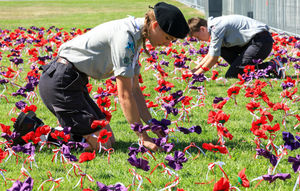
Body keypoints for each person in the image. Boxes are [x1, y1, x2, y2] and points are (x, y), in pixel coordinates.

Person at [38, 2, 189, 151]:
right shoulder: (126, 38)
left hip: (72, 81)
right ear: (155, 26)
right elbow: (124, 95)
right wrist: (143, 137)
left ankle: (67, 131)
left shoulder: (136, 36)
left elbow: (135, 89)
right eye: (168, 38)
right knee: (101, 144)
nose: (167, 44)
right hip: (60, 82)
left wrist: (151, 123)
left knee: (108, 137)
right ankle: (37, 133)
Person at [187, 15, 285, 78]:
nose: (199, 40)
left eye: (197, 37)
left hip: (261, 42)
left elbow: (213, 58)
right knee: (223, 50)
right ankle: (240, 67)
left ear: (203, 29)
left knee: (232, 75)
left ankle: (272, 66)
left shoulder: (216, 28)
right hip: (254, 41)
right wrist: (195, 70)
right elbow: (210, 54)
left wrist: (196, 75)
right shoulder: (214, 25)